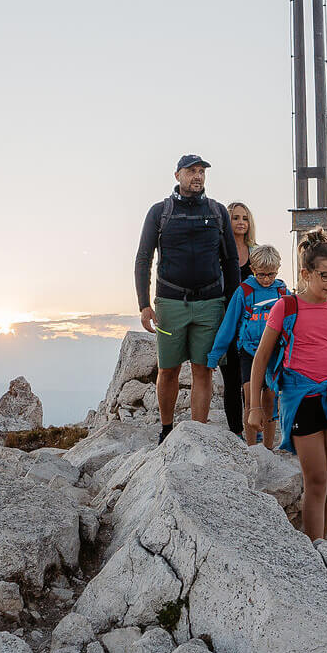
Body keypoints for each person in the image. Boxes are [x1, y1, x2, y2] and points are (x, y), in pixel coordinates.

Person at [247, 230, 327, 541]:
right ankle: (314, 548)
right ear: (305, 273)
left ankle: (321, 544)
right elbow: (261, 359)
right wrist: (256, 407)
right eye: (324, 275)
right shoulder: (286, 307)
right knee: (317, 481)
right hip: (302, 401)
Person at [134, 154, 241, 441]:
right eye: (191, 171)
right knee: (168, 370)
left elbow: (230, 261)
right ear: (177, 175)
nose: (198, 176)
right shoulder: (160, 212)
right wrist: (144, 305)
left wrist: (233, 305)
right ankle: (166, 430)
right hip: (169, 304)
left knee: (203, 370)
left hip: (210, 304)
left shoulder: (217, 212)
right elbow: (144, 258)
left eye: (201, 172)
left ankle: (197, 434)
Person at [208, 244, 287, 448]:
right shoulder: (245, 291)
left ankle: (268, 448)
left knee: (270, 399)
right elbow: (229, 323)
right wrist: (215, 354)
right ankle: (251, 449)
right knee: (250, 399)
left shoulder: (281, 291)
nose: (266, 279)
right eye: (261, 274)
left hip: (274, 352)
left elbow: (291, 324)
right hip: (248, 351)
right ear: (252, 269)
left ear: (277, 270)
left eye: (271, 274)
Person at [220, 202, 257, 436]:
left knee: (253, 379)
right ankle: (235, 432)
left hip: (253, 323)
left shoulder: (256, 252)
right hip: (226, 320)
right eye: (235, 217)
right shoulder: (218, 251)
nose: (241, 222)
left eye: (245, 217)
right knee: (232, 379)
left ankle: (256, 430)